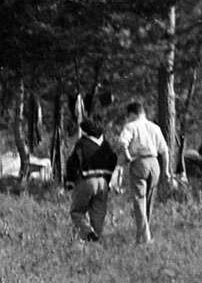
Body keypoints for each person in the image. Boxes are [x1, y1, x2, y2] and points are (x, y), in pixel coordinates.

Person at [115, 98, 171, 243]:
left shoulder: (131, 126)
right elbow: (165, 151)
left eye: (128, 116)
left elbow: (122, 143)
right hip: (155, 163)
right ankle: (141, 236)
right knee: (149, 201)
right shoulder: (154, 127)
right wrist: (166, 171)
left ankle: (145, 238)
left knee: (139, 200)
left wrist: (127, 156)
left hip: (139, 162)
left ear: (132, 114)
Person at [64, 116, 119, 242]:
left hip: (87, 180)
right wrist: (108, 179)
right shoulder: (106, 145)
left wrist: (70, 182)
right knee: (98, 214)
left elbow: (72, 163)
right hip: (103, 182)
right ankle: (96, 239)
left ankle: (87, 232)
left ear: (84, 131)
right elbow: (113, 159)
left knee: (77, 212)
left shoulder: (82, 144)